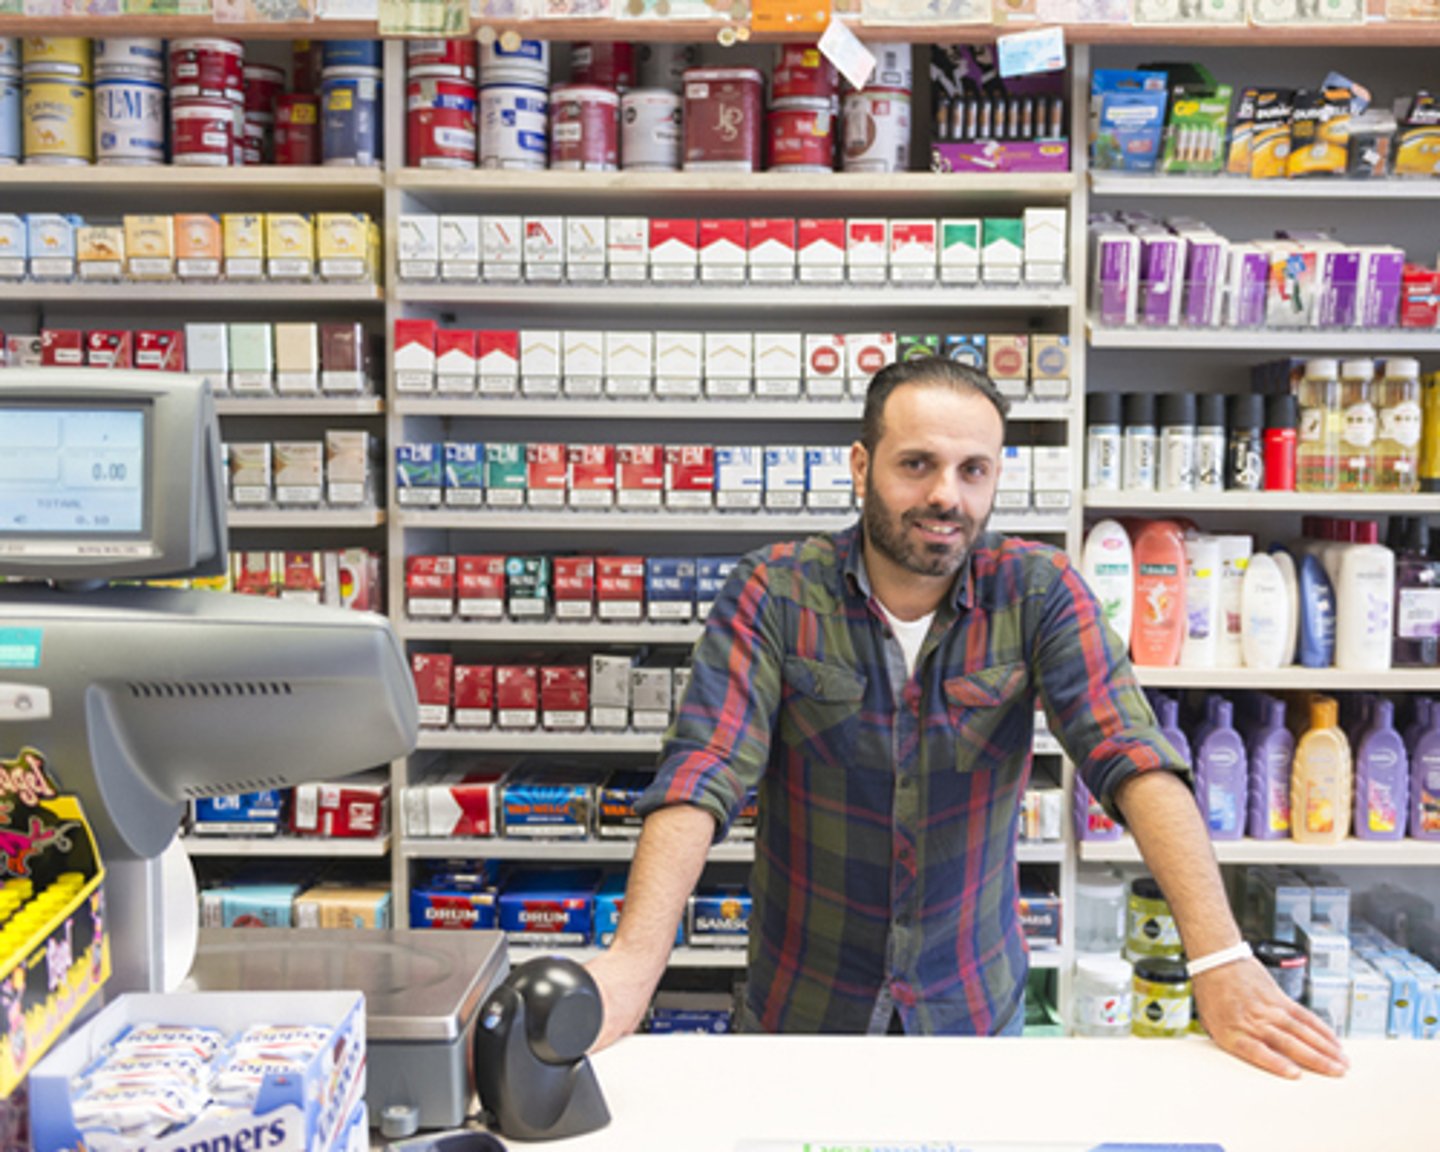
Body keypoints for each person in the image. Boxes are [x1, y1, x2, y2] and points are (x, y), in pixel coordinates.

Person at [587, 356, 1347, 1079]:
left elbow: (1130, 753)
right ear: (862, 468)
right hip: (802, 1007)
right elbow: (703, 769)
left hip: (972, 1009)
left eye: (972, 470)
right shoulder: (775, 593)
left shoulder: (1038, 592)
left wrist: (1218, 958)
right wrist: (633, 963)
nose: (946, 495)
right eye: (916, 464)